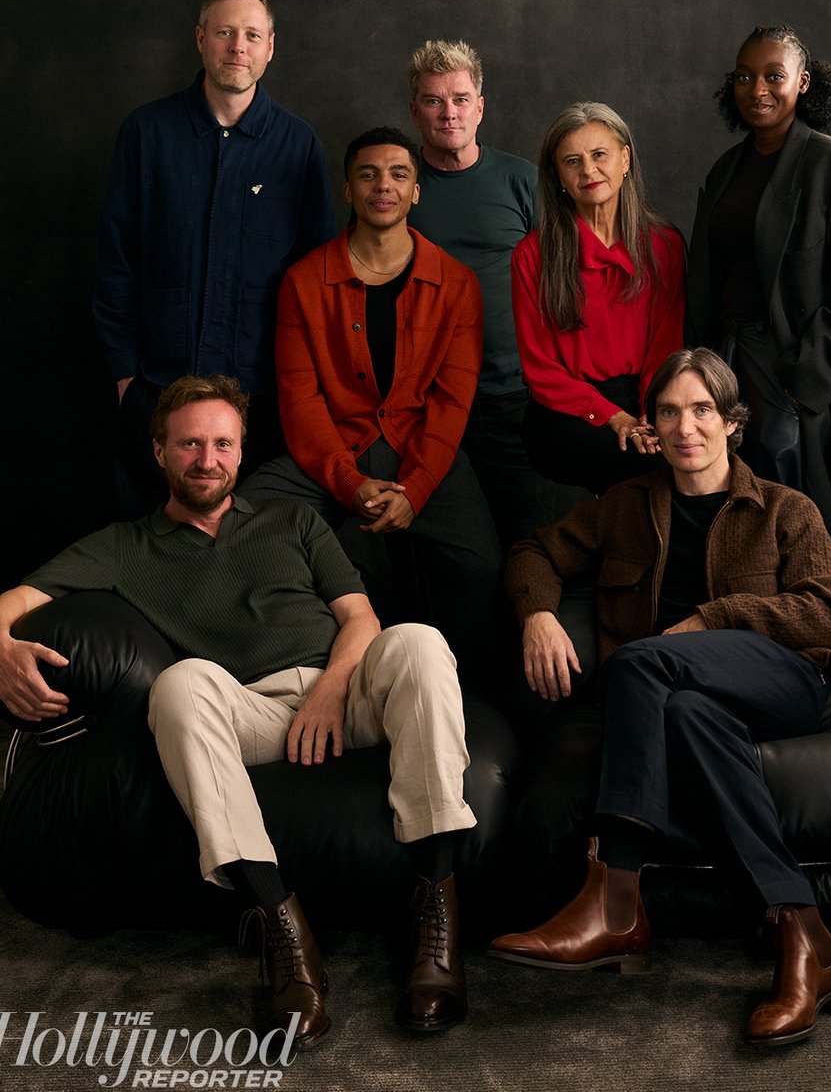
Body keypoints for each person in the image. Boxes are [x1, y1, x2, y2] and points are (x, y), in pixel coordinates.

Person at [0, 376, 475, 1045]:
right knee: (180, 682)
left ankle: (434, 913)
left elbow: (360, 619)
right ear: (160, 451)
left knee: (418, 641)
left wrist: (330, 690)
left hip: (345, 693)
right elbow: (15, 599)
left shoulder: (292, 520)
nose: (206, 460)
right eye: (189, 444)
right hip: (249, 714)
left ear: (241, 452)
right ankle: (283, 931)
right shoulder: (124, 545)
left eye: (222, 444)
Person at [489, 348, 831, 1048]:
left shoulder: (785, 509)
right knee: (681, 707)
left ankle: (616, 901)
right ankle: (806, 938)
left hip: (784, 682)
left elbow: (824, 616)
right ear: (651, 426)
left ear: (732, 423)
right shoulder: (624, 507)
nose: (686, 427)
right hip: (683, 699)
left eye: (702, 410)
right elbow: (532, 552)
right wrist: (537, 614)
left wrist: (714, 619)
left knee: (637, 661)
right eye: (668, 412)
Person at [239, 127, 503, 687]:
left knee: (480, 567)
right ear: (348, 190)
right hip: (333, 447)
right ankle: (299, 677)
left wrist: (417, 490)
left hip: (420, 449)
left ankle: (461, 696)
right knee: (246, 519)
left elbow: (452, 401)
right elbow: (300, 400)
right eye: (368, 174)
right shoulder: (304, 281)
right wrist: (348, 482)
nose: (384, 185)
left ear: (416, 192)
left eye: (399, 174)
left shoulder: (456, 284)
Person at [93, 0, 336, 518]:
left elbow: (316, 281)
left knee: (246, 551)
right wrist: (126, 375)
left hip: (260, 401)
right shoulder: (146, 134)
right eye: (224, 32)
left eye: (251, 35)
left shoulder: (297, 146)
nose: (237, 47)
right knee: (150, 546)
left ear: (270, 47)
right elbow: (116, 261)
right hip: (156, 389)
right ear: (201, 38)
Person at [686, 23, 831, 556]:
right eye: (744, 77)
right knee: (756, 533)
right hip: (736, 362)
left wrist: (801, 381)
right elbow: (708, 279)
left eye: (774, 76)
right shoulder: (725, 170)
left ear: (803, 82)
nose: (757, 89)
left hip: (814, 374)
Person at [406, 39, 556, 547]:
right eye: (433, 101)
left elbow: (564, 285)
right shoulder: (399, 185)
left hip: (515, 397)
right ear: (415, 111)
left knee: (531, 540)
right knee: (455, 552)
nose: (449, 113)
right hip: (428, 402)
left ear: (480, 107)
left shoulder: (523, 181)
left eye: (461, 99)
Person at [511, 102, 685, 496]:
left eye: (599, 154)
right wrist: (614, 418)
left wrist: (651, 414)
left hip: (645, 396)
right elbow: (540, 369)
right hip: (564, 410)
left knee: (692, 454)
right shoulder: (532, 255)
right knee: (655, 467)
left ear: (625, 159)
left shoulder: (665, 245)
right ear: (558, 176)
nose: (588, 171)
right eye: (572, 161)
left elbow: (666, 347)